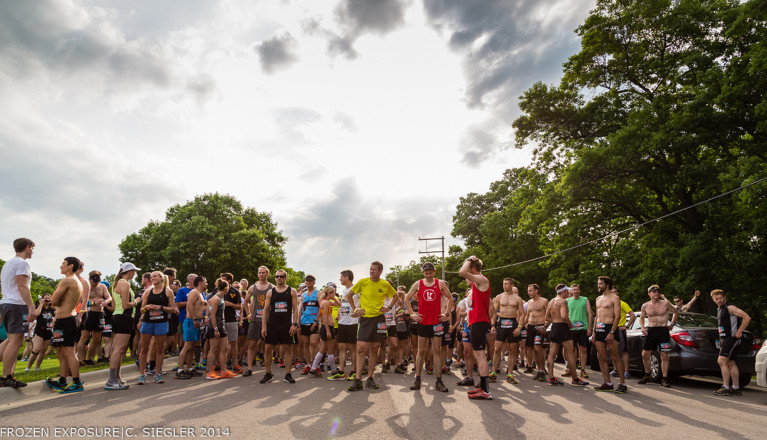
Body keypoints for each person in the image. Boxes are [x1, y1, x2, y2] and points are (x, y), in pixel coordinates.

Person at [347, 261, 400, 391]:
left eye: (374, 269)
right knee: (361, 348)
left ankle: (370, 377)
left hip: (379, 319)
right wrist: (355, 309)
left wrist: (389, 307)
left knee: (375, 348)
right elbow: (349, 295)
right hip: (365, 319)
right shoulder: (363, 282)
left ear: (380, 271)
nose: (371, 271)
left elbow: (396, 295)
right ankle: (358, 379)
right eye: (370, 269)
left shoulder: (385, 284)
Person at [404, 262, 453, 392]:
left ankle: (438, 381)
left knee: (436, 351)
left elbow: (450, 298)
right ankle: (417, 379)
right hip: (423, 322)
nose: (428, 275)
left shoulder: (440, 283)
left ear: (434, 271)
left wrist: (447, 314)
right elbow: (406, 298)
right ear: (423, 273)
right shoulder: (418, 284)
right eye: (426, 273)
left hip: (436, 323)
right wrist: (412, 314)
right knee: (421, 350)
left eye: (430, 272)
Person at [0, 238, 36, 388]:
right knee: (16, 341)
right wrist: (31, 307)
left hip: (6, 302)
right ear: (27, 247)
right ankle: (6, 376)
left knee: (9, 340)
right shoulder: (22, 263)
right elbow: (22, 286)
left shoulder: (8, 264)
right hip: (16, 305)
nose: (33, 252)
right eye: (32, 248)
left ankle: (7, 375)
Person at [458, 256, 495, 400]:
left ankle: (485, 391)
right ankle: (482, 386)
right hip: (475, 322)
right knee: (478, 355)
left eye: (468, 266)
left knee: (480, 355)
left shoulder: (482, 280)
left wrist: (469, 258)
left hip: (479, 322)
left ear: (472, 268)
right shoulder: (476, 285)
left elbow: (462, 272)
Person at [46, 257, 84, 393]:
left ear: (70, 266)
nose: (60, 266)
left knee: (68, 352)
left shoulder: (67, 280)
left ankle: (77, 382)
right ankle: (62, 380)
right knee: (61, 352)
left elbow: (54, 301)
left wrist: (54, 300)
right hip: (66, 319)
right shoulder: (76, 281)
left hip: (66, 320)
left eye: (63, 264)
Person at [103, 262, 140, 390]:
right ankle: (111, 380)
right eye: (134, 271)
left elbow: (113, 307)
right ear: (129, 271)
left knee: (120, 349)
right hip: (124, 316)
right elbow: (125, 305)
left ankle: (116, 378)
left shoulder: (116, 284)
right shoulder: (124, 283)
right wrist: (136, 301)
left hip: (118, 317)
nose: (135, 273)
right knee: (118, 349)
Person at [136, 271, 178, 384]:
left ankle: (158, 374)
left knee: (160, 349)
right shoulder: (147, 292)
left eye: (155, 276)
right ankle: (141, 375)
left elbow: (173, 309)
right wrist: (147, 308)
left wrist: (161, 307)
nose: (152, 278)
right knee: (144, 348)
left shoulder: (167, 291)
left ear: (161, 278)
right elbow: (141, 309)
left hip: (161, 323)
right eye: (151, 277)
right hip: (148, 322)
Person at [260, 269, 299, 384]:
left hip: (286, 324)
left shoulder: (291, 291)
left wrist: (295, 324)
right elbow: (265, 310)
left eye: (281, 276)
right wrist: (263, 326)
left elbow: (296, 308)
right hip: (272, 324)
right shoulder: (270, 292)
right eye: (277, 276)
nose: (279, 278)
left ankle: (288, 374)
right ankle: (268, 374)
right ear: (275, 278)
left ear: (286, 278)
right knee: (268, 348)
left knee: (287, 348)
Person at [545, 284, 589, 387]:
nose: (569, 293)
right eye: (567, 291)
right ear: (563, 291)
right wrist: (570, 324)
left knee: (552, 353)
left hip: (555, 327)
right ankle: (575, 379)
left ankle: (551, 378)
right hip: (563, 327)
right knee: (570, 353)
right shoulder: (563, 301)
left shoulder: (551, 301)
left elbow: (547, 318)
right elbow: (564, 316)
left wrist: (556, 322)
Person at [711, 289, 751, 396]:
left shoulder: (730, 307)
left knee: (721, 361)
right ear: (713, 299)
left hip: (731, 338)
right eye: (717, 299)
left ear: (724, 298)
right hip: (725, 339)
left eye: (721, 298)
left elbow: (747, 317)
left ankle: (726, 387)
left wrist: (740, 330)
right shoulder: (719, 308)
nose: (719, 300)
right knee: (730, 362)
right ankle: (736, 388)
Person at [637, 285, 677, 388]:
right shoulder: (645, 305)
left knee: (664, 356)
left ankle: (665, 378)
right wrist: (642, 328)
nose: (656, 293)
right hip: (651, 330)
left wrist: (672, 324)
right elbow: (641, 318)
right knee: (645, 354)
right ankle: (647, 375)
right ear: (649, 294)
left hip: (663, 330)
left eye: (657, 292)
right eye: (653, 292)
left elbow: (676, 312)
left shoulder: (665, 304)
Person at [592, 276, 627, 393]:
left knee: (615, 356)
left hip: (610, 328)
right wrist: (593, 332)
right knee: (600, 356)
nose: (598, 285)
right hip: (599, 329)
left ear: (607, 285)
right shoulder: (597, 298)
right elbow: (597, 316)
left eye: (600, 284)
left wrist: (612, 332)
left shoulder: (615, 298)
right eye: (598, 283)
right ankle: (607, 382)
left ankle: (622, 384)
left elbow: (617, 316)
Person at [490, 277, 525, 384]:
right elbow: (494, 312)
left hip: (512, 323)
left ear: (512, 285)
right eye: (503, 284)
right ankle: (493, 373)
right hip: (501, 323)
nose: (504, 286)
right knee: (497, 348)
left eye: (506, 284)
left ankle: (510, 374)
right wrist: (492, 325)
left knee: (512, 349)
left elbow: (523, 314)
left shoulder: (518, 299)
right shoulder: (499, 297)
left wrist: (519, 327)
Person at [77, 270, 111, 365]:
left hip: (99, 314)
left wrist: (106, 302)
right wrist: (92, 303)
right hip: (88, 313)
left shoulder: (102, 286)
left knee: (97, 339)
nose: (96, 284)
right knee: (85, 337)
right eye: (94, 282)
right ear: (90, 279)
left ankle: (90, 358)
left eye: (98, 281)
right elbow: (80, 301)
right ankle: (81, 360)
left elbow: (109, 297)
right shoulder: (85, 286)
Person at [205, 279, 236, 380]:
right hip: (215, 327)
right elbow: (212, 314)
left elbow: (208, 304)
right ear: (226, 288)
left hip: (221, 326)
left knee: (224, 348)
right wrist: (215, 329)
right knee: (213, 349)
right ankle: (210, 372)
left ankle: (224, 371)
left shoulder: (220, 298)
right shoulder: (216, 298)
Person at [177, 276, 207, 379]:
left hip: (197, 322)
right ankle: (180, 370)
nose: (206, 283)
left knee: (192, 347)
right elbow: (189, 305)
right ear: (200, 283)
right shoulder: (194, 292)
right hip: (191, 321)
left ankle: (190, 368)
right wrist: (194, 319)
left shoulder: (200, 293)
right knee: (187, 346)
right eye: (205, 282)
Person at [244, 267, 272, 376]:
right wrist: (249, 314)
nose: (261, 274)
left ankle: (267, 370)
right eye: (259, 272)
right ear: (257, 274)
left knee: (268, 346)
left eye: (263, 273)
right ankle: (250, 369)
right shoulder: (252, 287)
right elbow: (245, 302)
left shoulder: (272, 287)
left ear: (267, 274)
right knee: (252, 345)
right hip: (255, 320)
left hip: (267, 320)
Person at [308, 285, 341, 377]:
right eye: (333, 292)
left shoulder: (325, 302)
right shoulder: (326, 303)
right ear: (329, 293)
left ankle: (313, 368)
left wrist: (334, 298)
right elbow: (325, 317)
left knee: (322, 350)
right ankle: (334, 370)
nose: (334, 294)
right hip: (328, 327)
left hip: (324, 327)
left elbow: (339, 304)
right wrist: (328, 330)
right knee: (330, 350)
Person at [331, 270, 357, 381]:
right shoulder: (344, 290)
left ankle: (354, 371)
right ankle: (341, 372)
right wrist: (339, 312)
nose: (340, 279)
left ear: (347, 277)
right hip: (342, 322)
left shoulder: (356, 289)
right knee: (341, 347)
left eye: (341, 277)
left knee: (352, 348)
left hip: (353, 322)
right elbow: (344, 304)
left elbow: (362, 303)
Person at [521, 284, 548, 381]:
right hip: (530, 327)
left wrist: (544, 326)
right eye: (528, 291)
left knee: (537, 348)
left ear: (536, 291)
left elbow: (548, 316)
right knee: (529, 348)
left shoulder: (544, 301)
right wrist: (520, 325)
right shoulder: (529, 302)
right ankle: (538, 370)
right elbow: (527, 316)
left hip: (539, 327)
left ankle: (542, 370)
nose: (529, 292)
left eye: (531, 290)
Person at [566, 284, 592, 379]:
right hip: (571, 329)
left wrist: (589, 327)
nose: (576, 291)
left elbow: (589, 314)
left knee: (583, 349)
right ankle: (571, 370)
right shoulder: (567, 300)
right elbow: (564, 314)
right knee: (571, 350)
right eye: (574, 290)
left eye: (577, 289)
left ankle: (583, 370)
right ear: (571, 291)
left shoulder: (585, 299)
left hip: (583, 328)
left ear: (579, 291)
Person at [609, 287, 636, 380]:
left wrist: (627, 326)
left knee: (624, 351)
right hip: (611, 329)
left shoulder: (622, 303)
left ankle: (626, 371)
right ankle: (615, 369)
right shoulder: (610, 304)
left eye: (615, 292)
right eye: (612, 292)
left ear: (618, 293)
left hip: (620, 329)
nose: (614, 293)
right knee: (613, 350)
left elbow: (633, 315)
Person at [298, 275, 321, 375]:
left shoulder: (318, 293)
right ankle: (308, 365)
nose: (309, 282)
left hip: (314, 321)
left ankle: (316, 365)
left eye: (311, 281)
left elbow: (321, 307)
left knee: (314, 343)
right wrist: (297, 323)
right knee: (306, 344)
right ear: (305, 282)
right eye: (307, 281)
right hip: (304, 322)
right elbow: (300, 310)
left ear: (314, 282)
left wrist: (316, 321)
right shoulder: (303, 294)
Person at [25, 294, 54, 372]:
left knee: (43, 350)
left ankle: (37, 368)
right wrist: (41, 304)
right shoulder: (39, 307)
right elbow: (36, 314)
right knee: (36, 349)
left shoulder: (52, 309)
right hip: (39, 330)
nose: (47, 300)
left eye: (49, 299)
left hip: (48, 331)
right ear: (42, 299)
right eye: (46, 299)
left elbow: (56, 317)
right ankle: (28, 367)